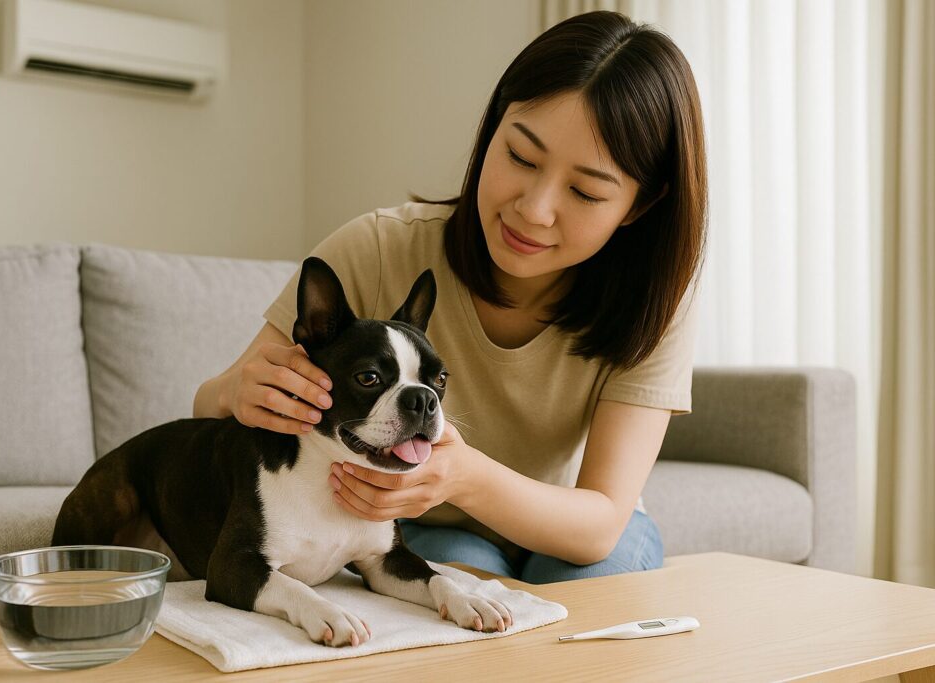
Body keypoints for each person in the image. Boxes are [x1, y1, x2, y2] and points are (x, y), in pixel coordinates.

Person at [193, 10, 707, 584]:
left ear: (638, 207)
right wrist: (235, 391)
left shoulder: (652, 306)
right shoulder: (379, 249)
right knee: (460, 606)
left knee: (590, 602)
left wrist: (464, 477)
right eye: (521, 157)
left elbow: (600, 523)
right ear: (491, 130)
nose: (533, 210)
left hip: (567, 528)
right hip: (429, 525)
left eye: (585, 191)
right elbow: (213, 408)